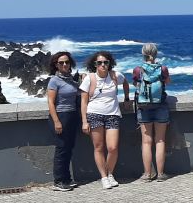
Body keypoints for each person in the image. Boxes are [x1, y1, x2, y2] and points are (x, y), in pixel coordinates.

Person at [80, 51, 129, 190]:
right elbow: (84, 101)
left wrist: (127, 98)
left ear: (109, 63)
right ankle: (104, 177)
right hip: (94, 114)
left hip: (112, 114)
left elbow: (126, 83)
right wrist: (84, 121)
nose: (103, 65)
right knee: (99, 147)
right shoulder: (89, 78)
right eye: (99, 62)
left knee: (112, 147)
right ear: (95, 64)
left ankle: (110, 173)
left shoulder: (115, 75)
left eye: (105, 62)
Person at [132, 43, 171, 182]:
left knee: (146, 142)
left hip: (143, 107)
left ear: (143, 53)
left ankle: (147, 174)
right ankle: (160, 174)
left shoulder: (138, 69)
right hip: (160, 106)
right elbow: (168, 81)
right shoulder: (162, 68)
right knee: (160, 140)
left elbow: (136, 84)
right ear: (156, 53)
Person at [46, 51, 80, 192]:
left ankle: (66, 178)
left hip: (72, 115)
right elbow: (50, 102)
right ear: (56, 65)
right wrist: (57, 121)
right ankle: (58, 181)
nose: (65, 64)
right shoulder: (54, 80)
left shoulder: (70, 79)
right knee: (61, 149)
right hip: (60, 116)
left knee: (68, 148)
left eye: (67, 62)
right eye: (61, 63)